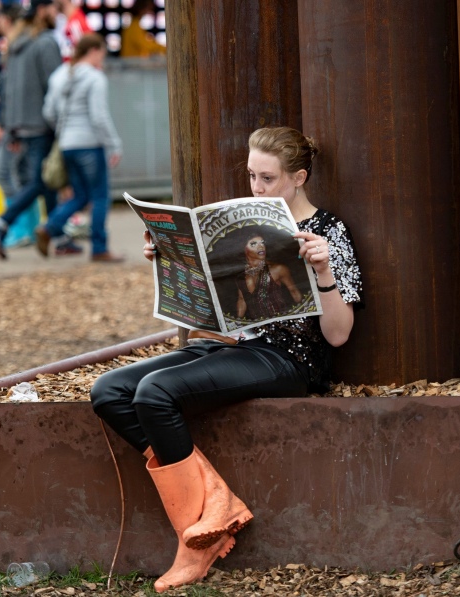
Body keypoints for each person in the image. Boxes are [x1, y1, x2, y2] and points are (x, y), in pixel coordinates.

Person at [90, 126, 363, 592]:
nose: (256, 188)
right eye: (252, 177)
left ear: (298, 177)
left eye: (268, 179)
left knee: (155, 394)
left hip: (286, 359)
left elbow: (338, 336)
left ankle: (194, 542)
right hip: (226, 342)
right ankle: (216, 504)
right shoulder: (242, 227)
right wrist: (172, 259)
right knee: (109, 391)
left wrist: (322, 271)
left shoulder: (328, 232)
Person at [0, 0, 62, 260]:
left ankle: (58, 237)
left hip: (21, 126)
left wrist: (12, 128)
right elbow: (57, 88)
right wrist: (61, 123)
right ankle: (1, 224)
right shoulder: (45, 42)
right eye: (53, 7)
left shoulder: (16, 44)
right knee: (42, 181)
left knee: (45, 182)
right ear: (42, 10)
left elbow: (10, 91)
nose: (56, 13)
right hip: (42, 124)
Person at [39, 33, 125, 262]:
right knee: (99, 196)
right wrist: (113, 144)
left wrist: (64, 132)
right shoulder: (95, 78)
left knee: (79, 195)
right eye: (103, 54)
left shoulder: (61, 74)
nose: (102, 60)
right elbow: (98, 117)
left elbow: (48, 111)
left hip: (67, 144)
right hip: (89, 144)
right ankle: (99, 248)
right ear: (95, 50)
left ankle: (49, 227)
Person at [235, 230, 303, 320]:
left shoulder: (277, 269)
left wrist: (303, 315)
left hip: (282, 322)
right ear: (244, 249)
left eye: (262, 242)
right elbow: (241, 300)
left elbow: (294, 291)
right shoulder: (241, 276)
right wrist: (238, 323)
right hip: (256, 326)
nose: (261, 247)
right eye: (253, 244)